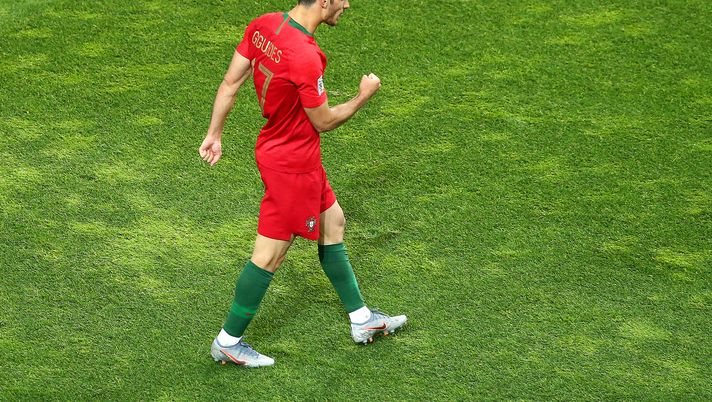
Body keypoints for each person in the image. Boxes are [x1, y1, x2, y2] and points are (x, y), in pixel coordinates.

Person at [199, 0, 406, 368]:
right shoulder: (307, 56)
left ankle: (361, 319)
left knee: (334, 222)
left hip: (287, 155)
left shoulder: (263, 25)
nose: (347, 4)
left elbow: (230, 82)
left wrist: (215, 134)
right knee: (270, 255)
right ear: (323, 1)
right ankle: (228, 341)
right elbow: (323, 121)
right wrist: (362, 97)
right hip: (292, 166)